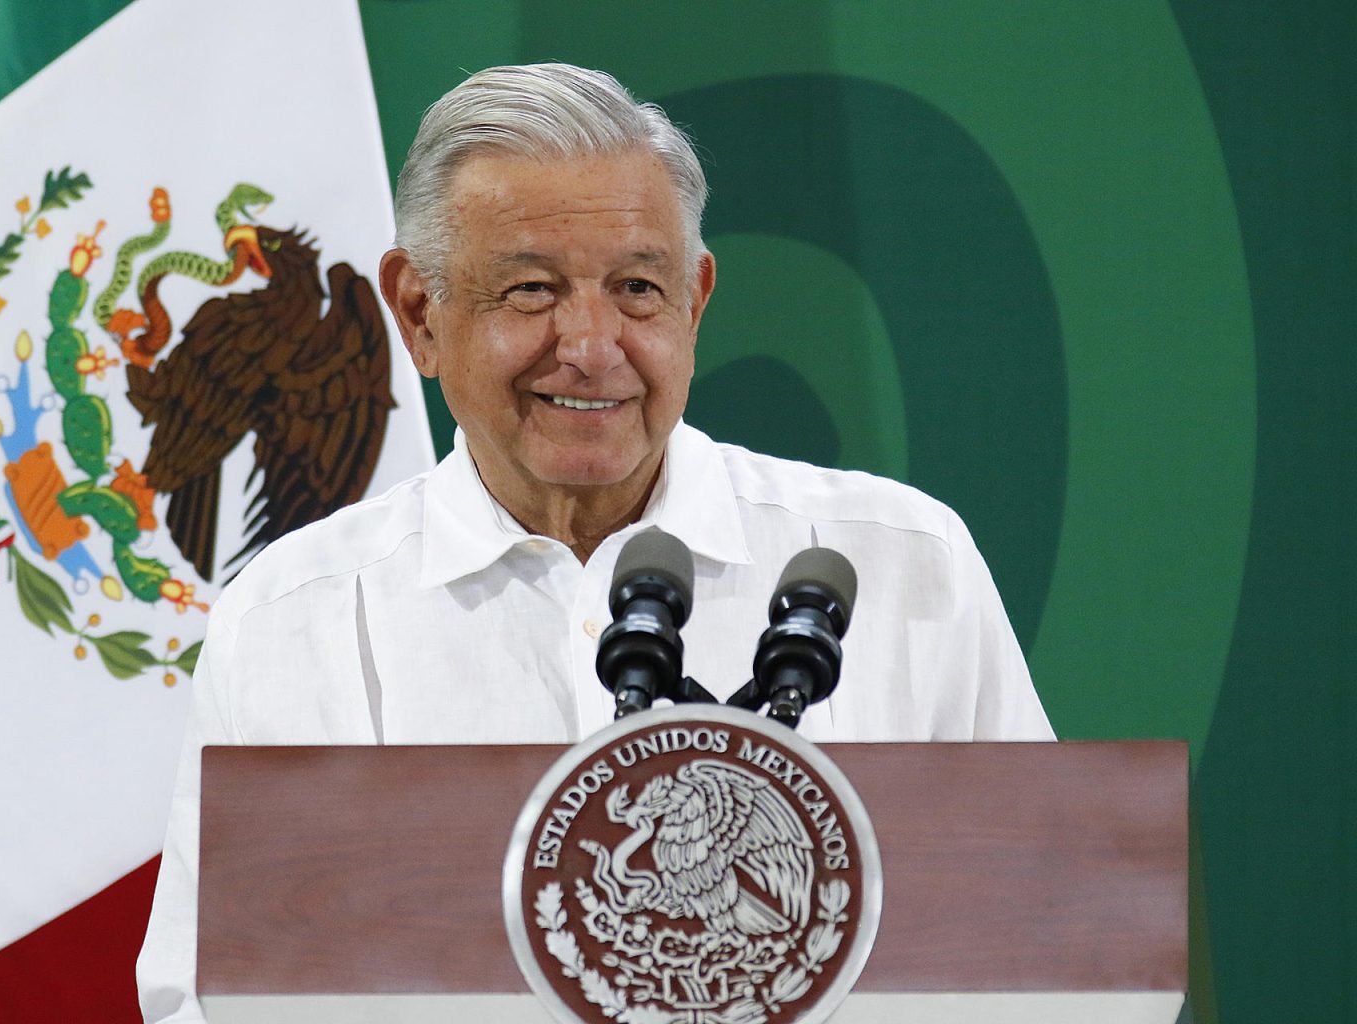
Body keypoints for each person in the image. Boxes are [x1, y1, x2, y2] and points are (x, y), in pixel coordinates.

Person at [136, 62, 1052, 1021]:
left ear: (695, 302)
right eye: (531, 290)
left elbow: (1052, 945)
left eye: (637, 289)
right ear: (419, 312)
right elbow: (201, 1002)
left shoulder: (903, 567)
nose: (591, 343)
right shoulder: (294, 620)